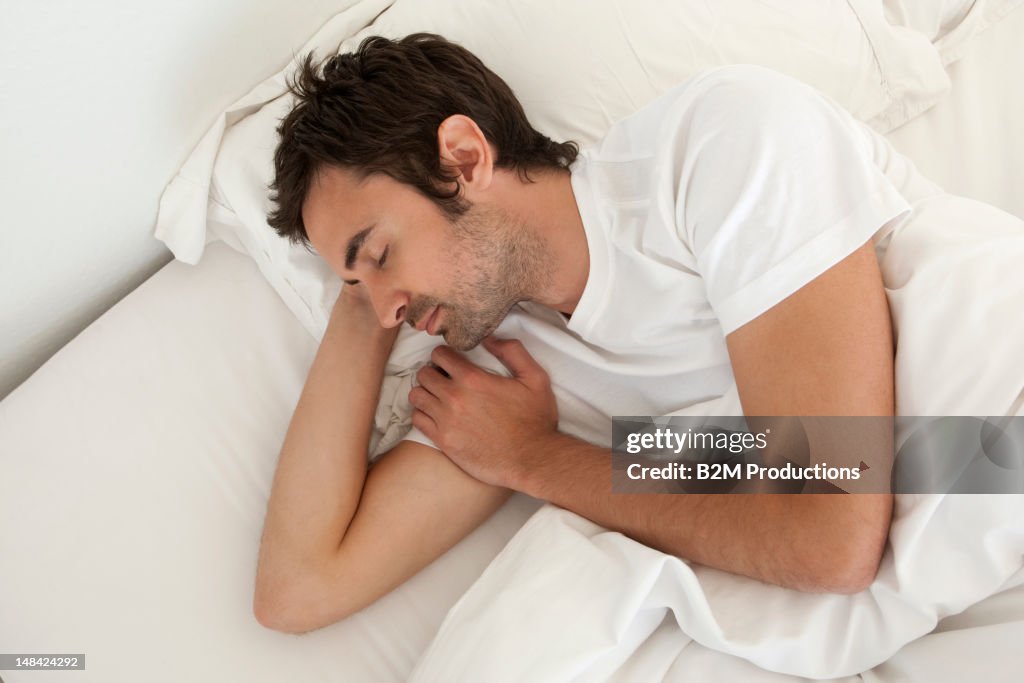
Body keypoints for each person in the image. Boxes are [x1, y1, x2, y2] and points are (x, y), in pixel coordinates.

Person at [252, 32, 911, 634]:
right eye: (355, 281)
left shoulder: (715, 144)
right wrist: (359, 296)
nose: (388, 312)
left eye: (379, 251)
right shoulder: (508, 383)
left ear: (463, 156)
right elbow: (298, 589)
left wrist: (535, 459)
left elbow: (834, 530)